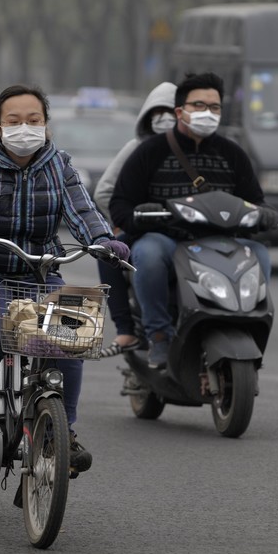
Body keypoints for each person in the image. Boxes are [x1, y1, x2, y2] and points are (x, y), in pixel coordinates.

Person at [0, 84, 129, 475]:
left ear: (46, 125)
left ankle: (61, 432)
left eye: (33, 120)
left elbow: (83, 212)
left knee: (71, 333)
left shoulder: (60, 165)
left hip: (40, 272)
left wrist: (104, 241)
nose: (24, 128)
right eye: (14, 120)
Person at [109, 72, 278, 368]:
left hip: (223, 242)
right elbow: (120, 205)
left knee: (260, 254)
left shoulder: (233, 154)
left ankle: (249, 329)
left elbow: (255, 200)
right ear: (180, 111)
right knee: (147, 253)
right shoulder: (149, 152)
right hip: (168, 240)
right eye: (199, 105)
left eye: (214, 107)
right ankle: (159, 335)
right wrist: (141, 215)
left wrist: (264, 214)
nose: (207, 113)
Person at [93, 82, 177, 358]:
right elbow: (104, 192)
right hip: (143, 229)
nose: (165, 119)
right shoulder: (137, 148)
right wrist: (126, 219)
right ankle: (126, 329)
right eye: (159, 113)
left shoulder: (197, 149)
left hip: (190, 232)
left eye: (172, 112)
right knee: (107, 253)